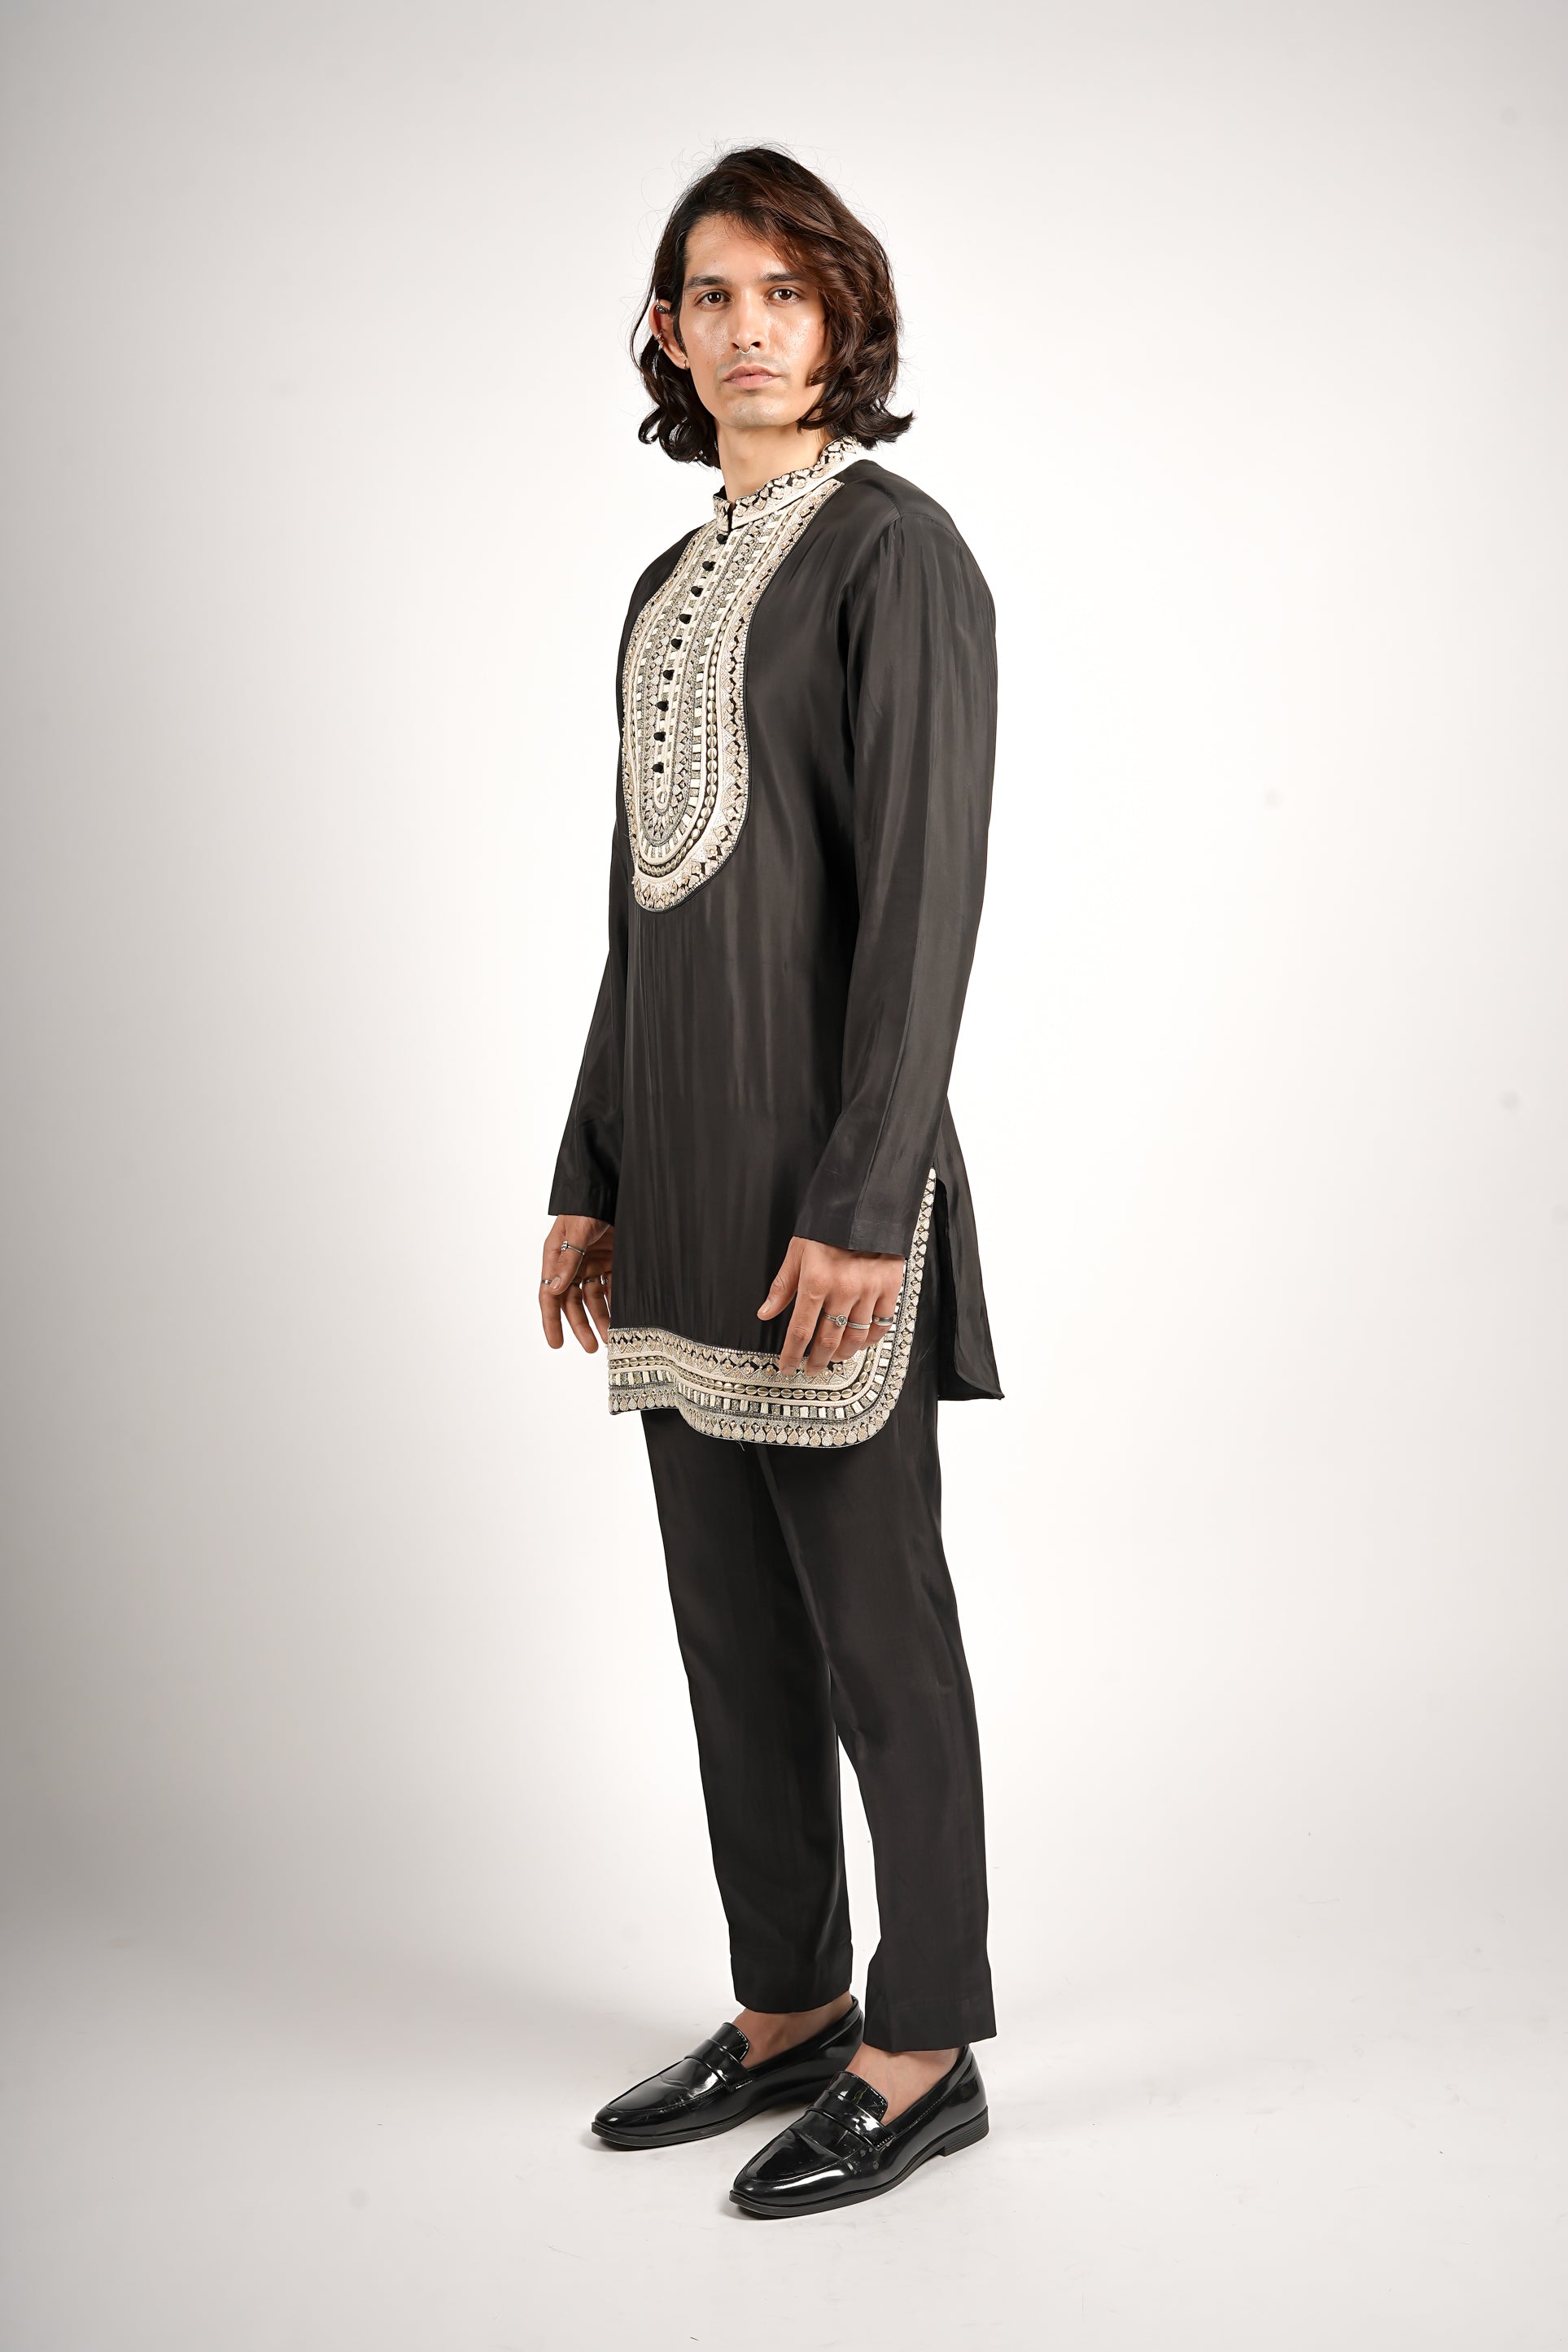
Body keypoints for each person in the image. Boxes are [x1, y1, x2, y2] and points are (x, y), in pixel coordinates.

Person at [540, 146, 1002, 2219]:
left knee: (876, 1631)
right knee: (730, 1631)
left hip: (828, 1203)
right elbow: (640, 915)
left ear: (843, 322)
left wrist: (863, 1198)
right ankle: (790, 2002)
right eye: (711, 294)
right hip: (681, 1182)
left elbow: (921, 910)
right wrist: (591, 1167)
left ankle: (923, 2041)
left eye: (786, 294)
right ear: (665, 329)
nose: (747, 329)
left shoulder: (898, 557)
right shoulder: (663, 588)